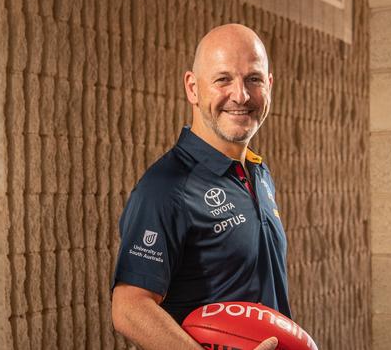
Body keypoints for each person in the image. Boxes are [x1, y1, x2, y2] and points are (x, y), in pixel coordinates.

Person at [111, 24, 289, 350]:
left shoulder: (257, 172)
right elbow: (129, 308)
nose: (241, 95)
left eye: (254, 79)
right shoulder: (166, 187)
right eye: (223, 79)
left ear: (269, 85)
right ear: (192, 88)